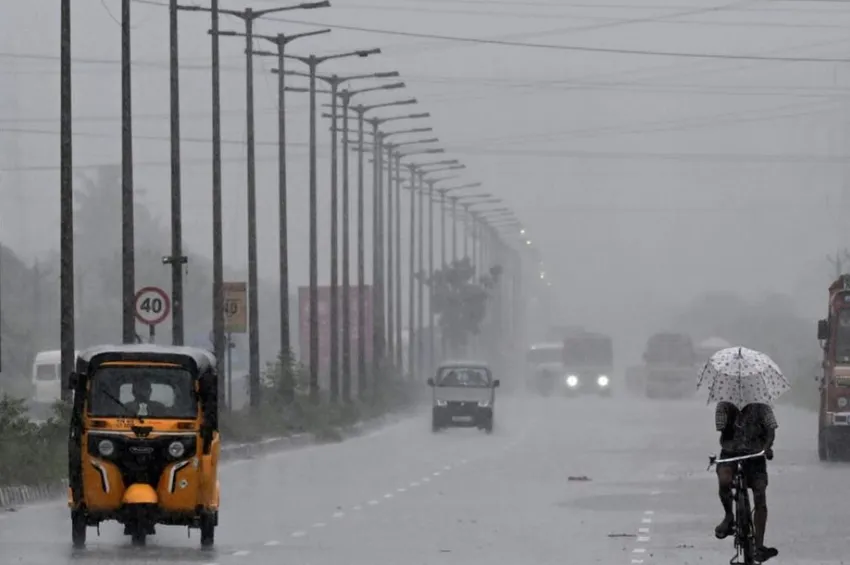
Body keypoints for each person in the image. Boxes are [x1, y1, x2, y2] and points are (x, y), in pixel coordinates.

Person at [714, 400, 779, 562]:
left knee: (760, 495)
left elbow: (771, 429)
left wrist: (767, 446)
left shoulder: (763, 408)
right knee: (724, 480)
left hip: (755, 455)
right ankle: (729, 516)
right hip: (730, 454)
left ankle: (759, 545)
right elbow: (720, 426)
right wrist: (732, 414)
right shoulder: (724, 406)